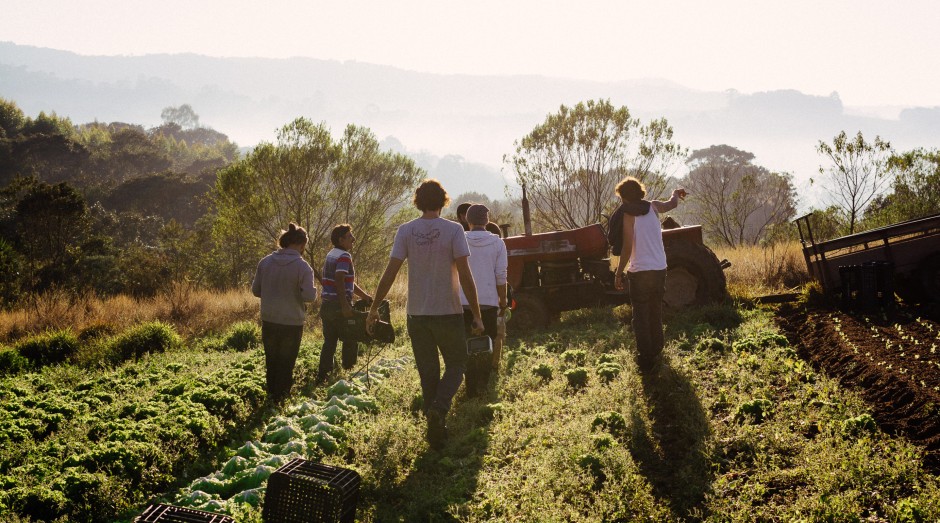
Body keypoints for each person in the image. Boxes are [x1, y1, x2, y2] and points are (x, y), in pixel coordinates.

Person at [367, 179, 484, 450]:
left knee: (428, 372)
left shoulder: (406, 231)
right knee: (458, 362)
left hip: (417, 314)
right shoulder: (454, 230)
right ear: (444, 201)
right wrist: (476, 314)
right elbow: (466, 275)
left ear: (418, 201)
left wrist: (373, 308)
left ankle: (436, 432)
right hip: (448, 312)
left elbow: (390, 272)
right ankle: (439, 409)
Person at [612, 177, 686, 373]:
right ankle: (657, 351)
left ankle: (646, 358)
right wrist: (676, 193)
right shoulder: (653, 207)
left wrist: (618, 273)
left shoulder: (628, 215)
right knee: (655, 312)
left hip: (640, 272)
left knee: (641, 317)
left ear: (625, 198)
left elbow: (627, 248)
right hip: (660, 268)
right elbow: (671, 204)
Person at [251, 223, 318, 403]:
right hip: (291, 322)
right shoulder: (303, 268)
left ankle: (271, 395)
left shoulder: (265, 262)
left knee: (271, 360)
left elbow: (256, 291)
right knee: (286, 362)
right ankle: (281, 398)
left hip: (269, 319)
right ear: (303, 244)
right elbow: (309, 297)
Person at [459, 205, 508, 395]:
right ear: (487, 221)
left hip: (462, 303)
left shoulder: (460, 240)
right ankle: (483, 384)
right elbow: (501, 275)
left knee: (467, 345)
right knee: (487, 343)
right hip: (488, 302)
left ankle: (470, 386)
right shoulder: (498, 244)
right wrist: (502, 300)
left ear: (468, 221)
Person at [317, 224, 373, 383]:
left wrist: (364, 296)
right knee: (351, 336)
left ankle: (323, 376)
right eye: (350, 237)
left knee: (329, 342)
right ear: (341, 240)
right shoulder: (344, 256)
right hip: (337, 305)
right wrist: (345, 306)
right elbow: (340, 279)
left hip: (326, 305)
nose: (353, 239)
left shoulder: (331, 254)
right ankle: (349, 373)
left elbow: (347, 281)